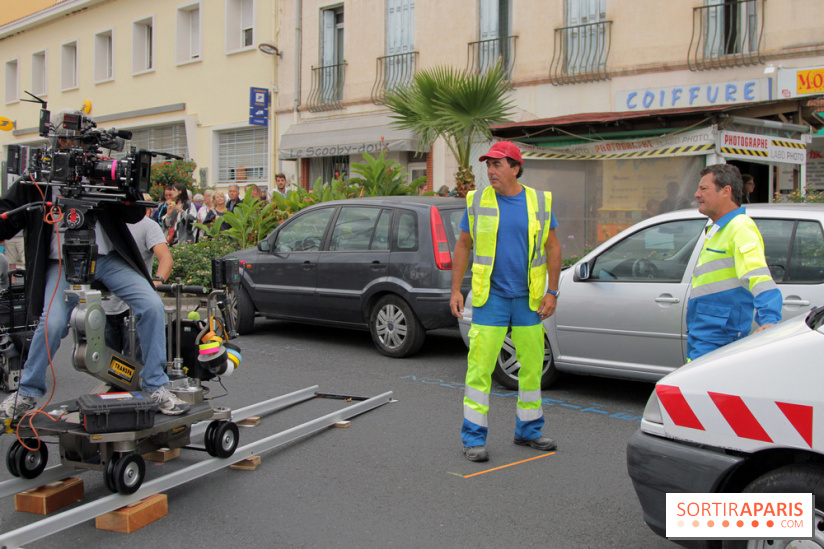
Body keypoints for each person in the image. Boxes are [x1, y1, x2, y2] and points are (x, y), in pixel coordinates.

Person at [0, 108, 188, 420]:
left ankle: (156, 385)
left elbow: (134, 215)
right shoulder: (37, 178)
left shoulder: (103, 172)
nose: (73, 150)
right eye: (65, 143)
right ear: (55, 143)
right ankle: (27, 392)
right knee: (53, 323)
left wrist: (125, 187)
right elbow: (7, 218)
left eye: (82, 144)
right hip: (58, 263)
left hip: (105, 260)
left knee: (151, 305)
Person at [450, 141, 562, 463]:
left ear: (515, 168)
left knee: (531, 369)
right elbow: (463, 246)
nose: (490, 171)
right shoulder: (477, 201)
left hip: (529, 300)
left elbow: (553, 248)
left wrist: (552, 291)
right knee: (480, 370)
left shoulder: (539, 201)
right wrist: (456, 290)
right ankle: (473, 438)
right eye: (488, 165)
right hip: (491, 299)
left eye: (497, 164)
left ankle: (528, 431)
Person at [686, 164, 782, 361]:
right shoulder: (721, 227)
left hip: (719, 332)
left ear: (726, 191)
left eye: (704, 188)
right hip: (706, 327)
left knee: (704, 385)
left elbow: (758, 276)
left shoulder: (740, 228)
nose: (697, 194)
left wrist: (770, 319)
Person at [103, 194, 173, 361]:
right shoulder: (104, 222)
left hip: (132, 306)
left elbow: (166, 259)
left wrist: (157, 282)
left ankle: (142, 385)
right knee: (105, 365)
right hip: (104, 305)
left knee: (134, 362)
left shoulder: (148, 226)